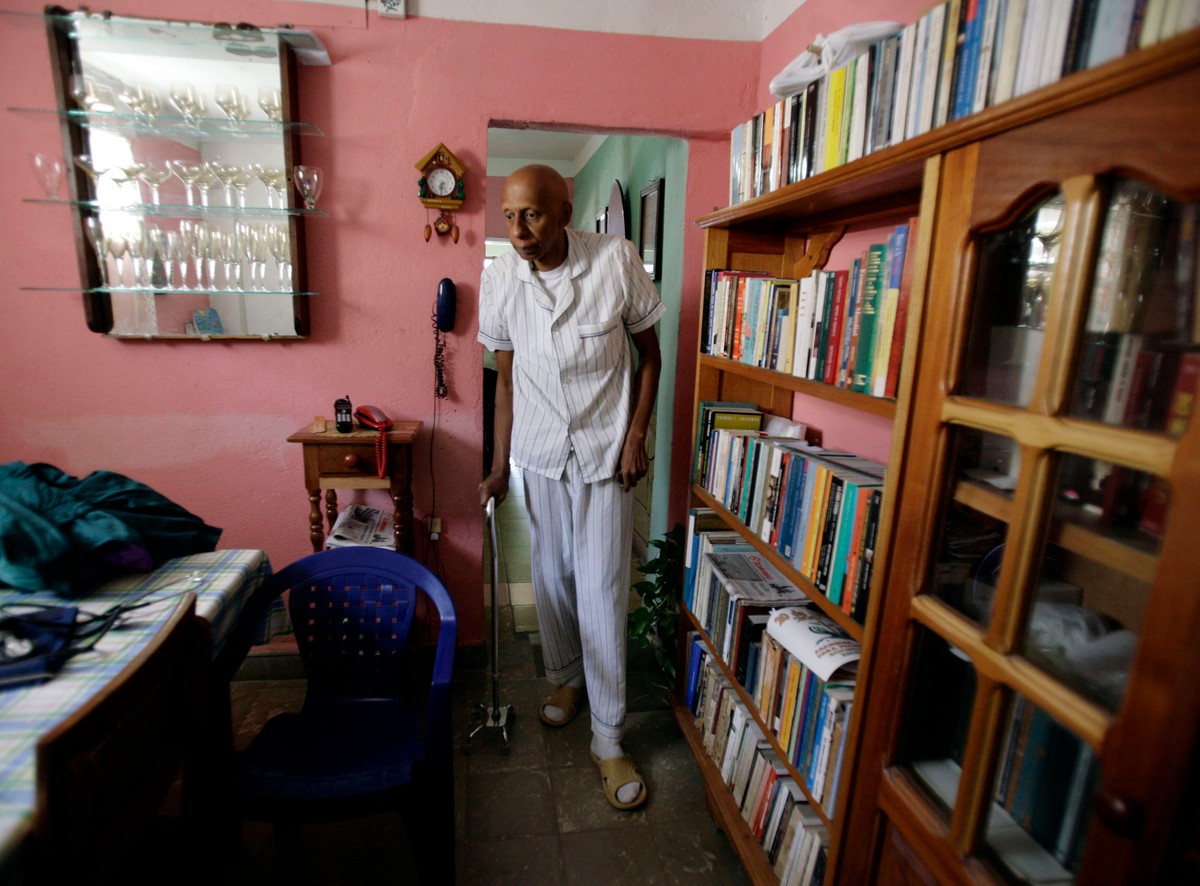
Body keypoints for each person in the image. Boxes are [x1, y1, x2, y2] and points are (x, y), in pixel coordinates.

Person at [477, 165, 664, 810]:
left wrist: (638, 433)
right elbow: (505, 379)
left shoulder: (614, 260)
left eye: (530, 215)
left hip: (608, 451)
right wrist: (500, 465)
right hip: (538, 452)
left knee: (603, 586)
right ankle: (565, 679)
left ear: (564, 210)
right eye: (508, 217)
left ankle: (609, 738)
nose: (518, 231)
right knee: (552, 576)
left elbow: (652, 356)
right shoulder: (499, 279)